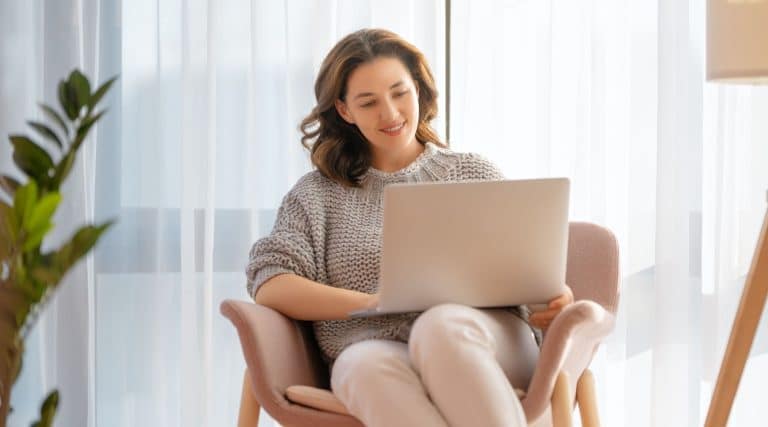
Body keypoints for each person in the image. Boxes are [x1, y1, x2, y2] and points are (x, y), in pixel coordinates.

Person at [245, 28, 573, 427]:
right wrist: (373, 302)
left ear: (418, 89)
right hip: (373, 345)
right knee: (361, 368)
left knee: (439, 326)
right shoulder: (316, 195)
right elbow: (272, 282)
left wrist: (552, 297)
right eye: (368, 102)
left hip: (485, 341)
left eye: (399, 93)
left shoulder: (472, 172)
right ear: (344, 111)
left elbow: (527, 271)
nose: (390, 113)